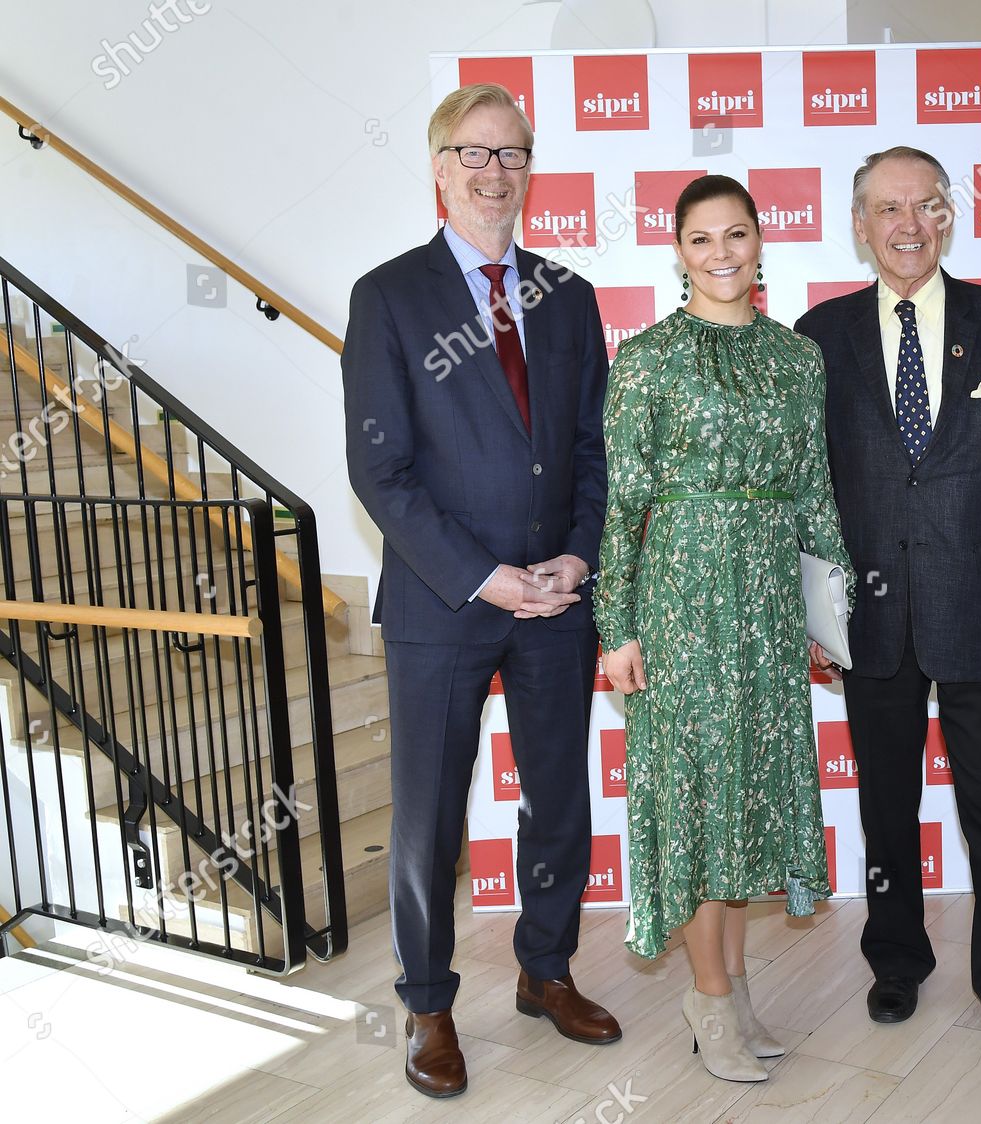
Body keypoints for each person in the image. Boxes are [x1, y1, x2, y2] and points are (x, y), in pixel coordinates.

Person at [342, 83, 619, 1100]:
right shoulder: (389, 295)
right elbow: (380, 470)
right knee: (428, 817)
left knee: (559, 799)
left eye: (512, 154)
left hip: (555, 603)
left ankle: (545, 971)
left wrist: (577, 560)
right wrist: (481, 574)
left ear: (529, 170)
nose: (494, 172)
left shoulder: (567, 293)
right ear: (439, 167)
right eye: (475, 153)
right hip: (441, 603)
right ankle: (427, 1001)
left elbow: (593, 451)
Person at [794, 147, 981, 1068]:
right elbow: (807, 492)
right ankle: (896, 961)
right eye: (887, 208)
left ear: (948, 216)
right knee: (885, 808)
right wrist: (811, 613)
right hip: (869, 617)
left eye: (924, 205)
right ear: (860, 225)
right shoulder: (817, 335)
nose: (907, 224)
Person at [594, 174, 853, 1084]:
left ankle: (734, 988)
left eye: (735, 235)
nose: (721, 254)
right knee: (704, 792)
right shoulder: (648, 360)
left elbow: (816, 487)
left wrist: (832, 614)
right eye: (701, 240)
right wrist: (617, 625)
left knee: (750, 791)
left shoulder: (796, 358)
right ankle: (708, 1002)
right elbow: (623, 502)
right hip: (682, 598)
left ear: (758, 243)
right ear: (677, 251)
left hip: (772, 602)